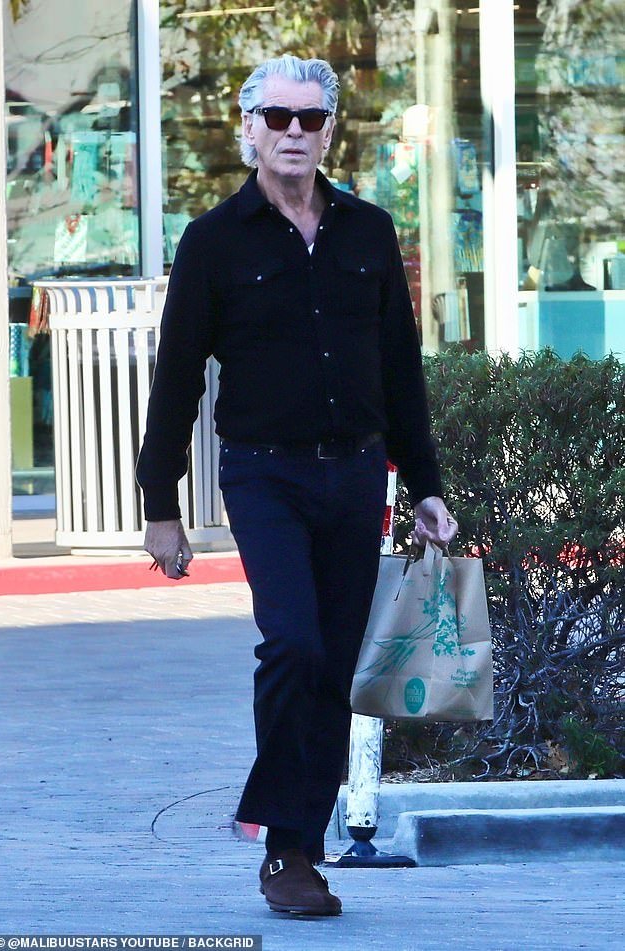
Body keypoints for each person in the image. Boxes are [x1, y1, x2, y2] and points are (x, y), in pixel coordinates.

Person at [136, 54, 458, 917]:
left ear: (329, 131)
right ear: (248, 128)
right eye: (276, 117)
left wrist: (422, 482)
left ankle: (293, 854)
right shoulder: (212, 241)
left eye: (309, 120)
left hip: (355, 474)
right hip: (264, 473)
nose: (292, 133)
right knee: (295, 646)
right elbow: (176, 377)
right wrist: (158, 505)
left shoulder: (369, 231)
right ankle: (281, 833)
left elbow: (400, 370)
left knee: (334, 667)